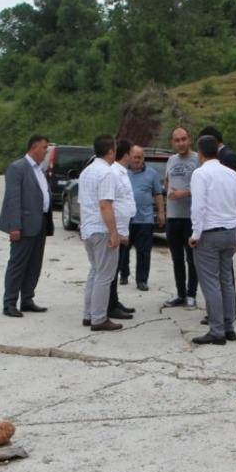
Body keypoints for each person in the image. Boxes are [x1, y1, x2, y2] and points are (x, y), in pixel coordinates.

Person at [189, 135, 236, 345]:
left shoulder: (200, 174)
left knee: (211, 282)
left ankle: (217, 330)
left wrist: (195, 234)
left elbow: (198, 207)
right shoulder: (232, 174)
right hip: (229, 232)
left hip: (210, 233)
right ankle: (229, 326)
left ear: (200, 152)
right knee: (226, 281)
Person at [0, 134, 54, 318]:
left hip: (40, 223)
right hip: (23, 225)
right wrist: (14, 226)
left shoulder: (39, 169)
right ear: (34, 147)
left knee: (34, 264)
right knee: (18, 264)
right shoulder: (18, 168)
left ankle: (27, 299)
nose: (47, 151)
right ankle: (10, 303)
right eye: (45, 147)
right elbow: (13, 199)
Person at [79, 135, 123, 331]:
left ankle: (89, 314)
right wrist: (114, 232)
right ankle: (99, 318)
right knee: (105, 276)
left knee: (95, 272)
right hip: (101, 229)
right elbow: (105, 205)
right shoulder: (106, 173)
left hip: (88, 228)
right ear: (110, 151)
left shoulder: (86, 172)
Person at [164, 127, 200, 310]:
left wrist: (184, 193)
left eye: (183, 139)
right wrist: (169, 191)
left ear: (190, 139)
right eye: (177, 140)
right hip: (173, 216)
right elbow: (167, 181)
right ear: (172, 142)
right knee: (176, 257)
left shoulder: (197, 160)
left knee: (192, 258)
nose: (181, 143)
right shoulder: (170, 160)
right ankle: (180, 293)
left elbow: (204, 189)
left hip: (190, 217)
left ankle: (192, 294)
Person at [126, 145, 165, 292]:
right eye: (134, 156)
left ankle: (142, 280)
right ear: (129, 156)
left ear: (143, 158)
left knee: (144, 252)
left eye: (139, 157)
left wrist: (161, 213)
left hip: (145, 219)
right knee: (123, 251)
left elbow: (158, 194)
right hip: (126, 220)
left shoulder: (152, 173)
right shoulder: (122, 172)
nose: (137, 160)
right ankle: (123, 274)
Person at [107, 139, 137, 320]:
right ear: (125, 154)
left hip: (125, 226)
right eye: (132, 153)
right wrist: (118, 232)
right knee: (112, 269)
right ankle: (110, 305)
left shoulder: (122, 172)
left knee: (117, 268)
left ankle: (114, 300)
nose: (134, 157)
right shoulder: (114, 173)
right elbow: (113, 205)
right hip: (118, 229)